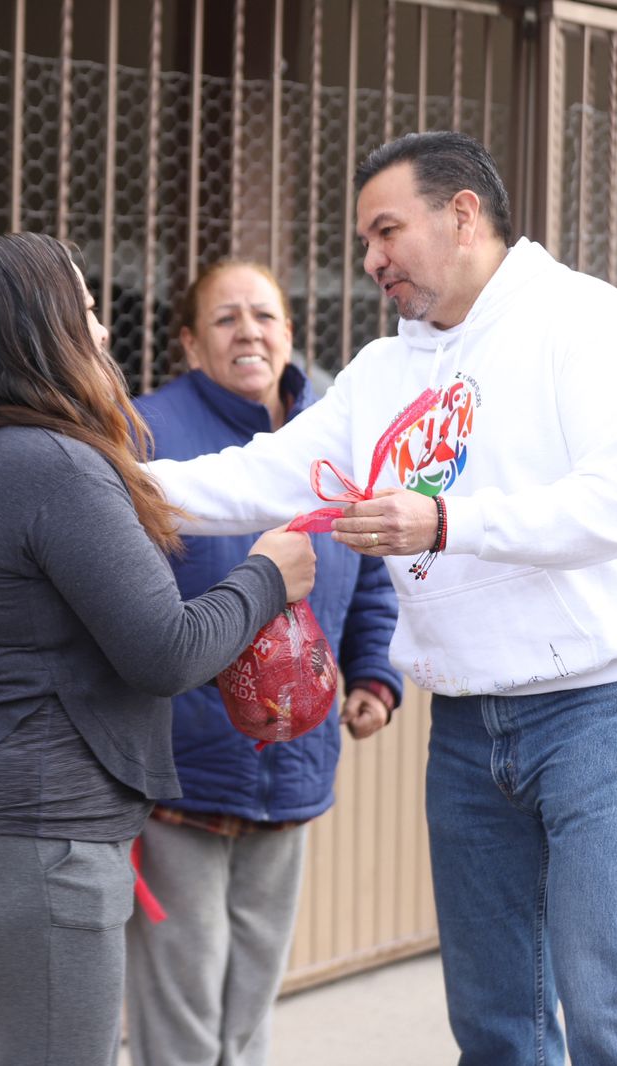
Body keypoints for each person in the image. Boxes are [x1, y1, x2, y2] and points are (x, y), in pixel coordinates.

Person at [145, 131, 617, 1065]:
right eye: (365, 241)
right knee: (494, 1022)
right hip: (469, 722)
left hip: (608, 707)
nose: (369, 260)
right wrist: (110, 485)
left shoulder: (586, 322)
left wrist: (445, 523)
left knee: (615, 1010)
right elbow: (261, 477)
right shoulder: (382, 373)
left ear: (462, 215)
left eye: (384, 231)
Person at [0, 232, 317, 1066]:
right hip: (37, 829)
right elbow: (164, 650)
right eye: (85, 312)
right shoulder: (52, 464)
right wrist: (267, 575)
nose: (102, 333)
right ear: (37, 330)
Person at [123, 260, 402, 1066]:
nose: (249, 332)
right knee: (181, 1003)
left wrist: (375, 677)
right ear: (189, 341)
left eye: (265, 316)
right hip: (182, 774)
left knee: (250, 1005)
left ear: (289, 332)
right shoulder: (146, 435)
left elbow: (373, 572)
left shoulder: (331, 436)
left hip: (294, 765)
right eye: (225, 318)